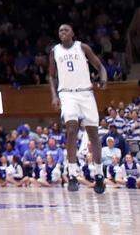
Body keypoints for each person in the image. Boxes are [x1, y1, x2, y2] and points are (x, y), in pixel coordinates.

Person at [49, 23, 107, 193]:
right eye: (60, 30)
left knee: (93, 134)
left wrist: (103, 78)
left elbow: (100, 66)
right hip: (67, 94)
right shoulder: (55, 51)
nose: (63, 32)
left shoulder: (82, 47)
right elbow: (51, 76)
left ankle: (98, 175)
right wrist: (54, 96)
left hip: (86, 93)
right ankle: (72, 173)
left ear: (72, 32)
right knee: (72, 129)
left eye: (66, 29)